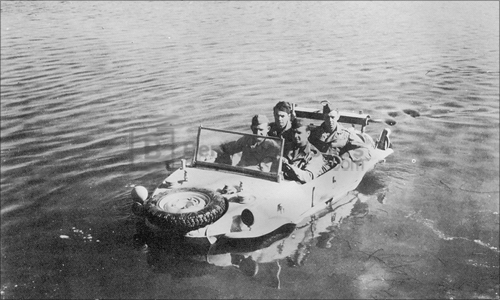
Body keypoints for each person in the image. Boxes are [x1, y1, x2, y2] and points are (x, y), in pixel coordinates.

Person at [309, 103, 372, 169]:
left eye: (332, 117)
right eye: (327, 117)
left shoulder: (346, 135)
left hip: (334, 168)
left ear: (338, 117)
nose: (330, 121)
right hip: (314, 163)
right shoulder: (314, 132)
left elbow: (366, 152)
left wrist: (348, 155)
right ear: (323, 117)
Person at [282, 118, 324, 183]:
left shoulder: (314, 154)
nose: (295, 136)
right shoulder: (286, 147)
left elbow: (308, 177)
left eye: (299, 133)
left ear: (308, 134)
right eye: (294, 132)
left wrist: (289, 166)